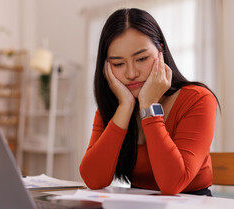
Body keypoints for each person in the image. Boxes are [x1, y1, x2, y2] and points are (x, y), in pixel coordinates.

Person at [79, 8, 218, 196]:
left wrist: (148, 105)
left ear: (161, 51)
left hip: (191, 208)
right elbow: (93, 179)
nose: (131, 73)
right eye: (118, 64)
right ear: (106, 67)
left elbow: (172, 184)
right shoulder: (115, 107)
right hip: (136, 207)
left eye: (142, 59)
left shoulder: (197, 99)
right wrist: (125, 107)